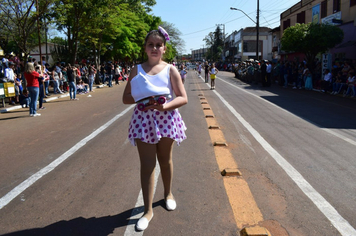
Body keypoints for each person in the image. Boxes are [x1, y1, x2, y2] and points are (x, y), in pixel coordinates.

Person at [122, 26, 187, 231]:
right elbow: (125, 98)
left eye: (159, 45)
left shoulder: (171, 69)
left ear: (164, 49)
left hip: (166, 119)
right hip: (143, 121)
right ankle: (148, 211)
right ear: (145, 48)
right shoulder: (136, 69)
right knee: (147, 165)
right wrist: (144, 97)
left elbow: (183, 97)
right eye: (151, 44)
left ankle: (168, 193)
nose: (155, 48)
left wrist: (164, 105)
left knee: (165, 160)